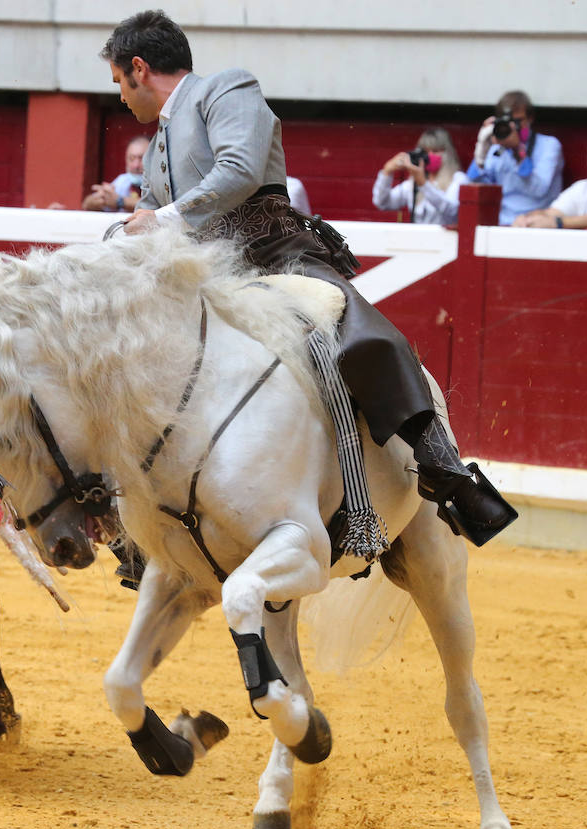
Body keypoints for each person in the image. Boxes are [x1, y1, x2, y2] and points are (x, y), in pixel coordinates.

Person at [102, 9, 514, 544]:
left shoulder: (225, 90)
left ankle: (444, 469)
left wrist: (162, 218)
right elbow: (152, 214)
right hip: (204, 274)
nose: (119, 97)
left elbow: (240, 169)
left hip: (273, 252)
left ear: (139, 67)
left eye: (118, 83)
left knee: (366, 334)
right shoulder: (157, 144)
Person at [466, 91, 564, 226]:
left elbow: (538, 189)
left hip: (535, 223)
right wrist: (482, 149)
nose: (512, 127)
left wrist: (518, 150)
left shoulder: (549, 145)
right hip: (502, 223)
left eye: (517, 121)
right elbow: (473, 184)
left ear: (530, 118)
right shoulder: (496, 149)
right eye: (507, 122)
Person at [372, 127, 469, 225]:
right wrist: (386, 173)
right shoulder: (413, 183)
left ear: (448, 153)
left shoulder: (458, 179)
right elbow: (382, 203)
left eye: (435, 151)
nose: (429, 155)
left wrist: (424, 185)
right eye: (425, 152)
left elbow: (452, 211)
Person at [83, 136, 150, 212]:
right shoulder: (123, 181)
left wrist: (120, 201)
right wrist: (101, 199)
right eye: (131, 159)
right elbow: (86, 203)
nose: (136, 165)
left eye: (142, 158)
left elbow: (158, 207)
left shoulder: (162, 180)